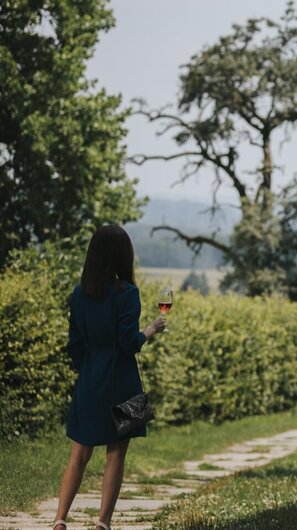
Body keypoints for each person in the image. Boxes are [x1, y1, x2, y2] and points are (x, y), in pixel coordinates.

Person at [52, 225, 166, 530]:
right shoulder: (128, 293)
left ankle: (60, 519)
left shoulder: (78, 294)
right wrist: (151, 329)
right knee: (116, 454)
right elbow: (129, 343)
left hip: (90, 379)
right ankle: (103, 523)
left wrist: (89, 370)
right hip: (123, 382)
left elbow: (74, 345)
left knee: (79, 453)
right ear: (121, 256)